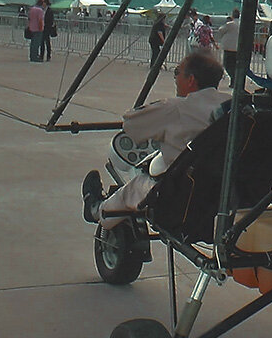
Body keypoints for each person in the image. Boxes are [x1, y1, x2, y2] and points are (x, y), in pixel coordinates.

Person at [82, 52, 230, 228]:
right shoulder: (231, 106)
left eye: (177, 72)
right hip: (225, 192)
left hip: (184, 198)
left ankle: (97, 210)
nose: (175, 79)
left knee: (136, 186)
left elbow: (131, 123)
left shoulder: (175, 108)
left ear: (191, 80)